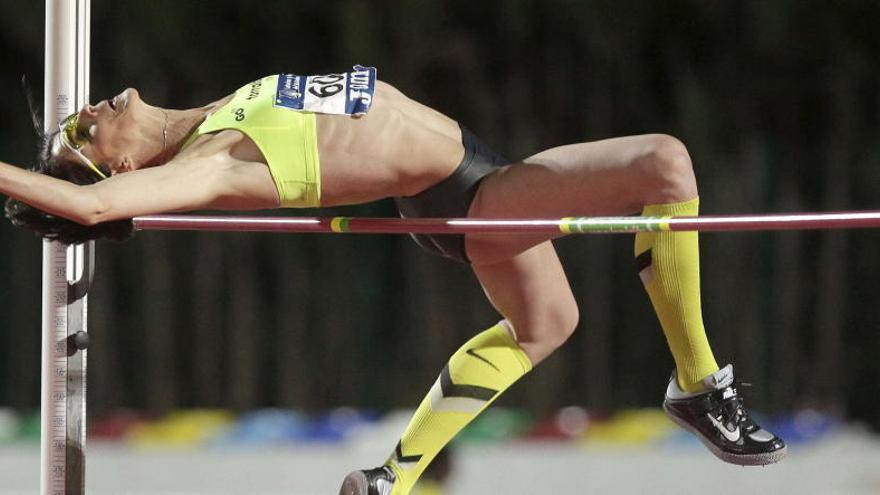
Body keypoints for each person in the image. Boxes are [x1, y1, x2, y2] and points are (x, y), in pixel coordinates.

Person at [2, 66, 786, 495]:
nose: (95, 107)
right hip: (472, 196)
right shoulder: (210, 165)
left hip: (469, 171)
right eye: (85, 131)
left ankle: (391, 477)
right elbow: (87, 202)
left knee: (549, 322)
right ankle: (698, 382)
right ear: (123, 162)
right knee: (666, 164)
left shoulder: (211, 118)